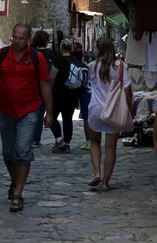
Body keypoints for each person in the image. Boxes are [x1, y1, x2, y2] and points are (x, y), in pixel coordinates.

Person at [0, 23, 53, 212]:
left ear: (28, 39)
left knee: (23, 150)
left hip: (29, 110)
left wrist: (49, 111)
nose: (16, 41)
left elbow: (45, 84)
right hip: (7, 110)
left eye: (20, 38)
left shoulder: (36, 57)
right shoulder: (2, 55)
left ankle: (17, 194)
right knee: (8, 153)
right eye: (14, 37)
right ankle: (16, 182)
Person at [87, 37, 132, 190]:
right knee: (110, 147)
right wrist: (128, 107)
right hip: (113, 110)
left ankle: (96, 173)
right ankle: (106, 182)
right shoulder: (120, 67)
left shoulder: (91, 66)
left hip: (95, 109)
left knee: (94, 141)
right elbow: (127, 88)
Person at [50, 39, 84, 153]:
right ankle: (67, 143)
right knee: (67, 119)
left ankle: (59, 140)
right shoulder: (76, 62)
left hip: (58, 94)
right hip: (72, 94)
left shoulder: (58, 61)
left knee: (52, 116)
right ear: (71, 49)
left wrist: (48, 91)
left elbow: (52, 78)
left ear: (61, 48)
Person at [31, 30, 57, 147]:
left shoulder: (31, 52)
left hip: (31, 84)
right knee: (40, 111)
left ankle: (28, 136)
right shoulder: (50, 54)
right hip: (44, 85)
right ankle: (36, 138)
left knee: (30, 111)